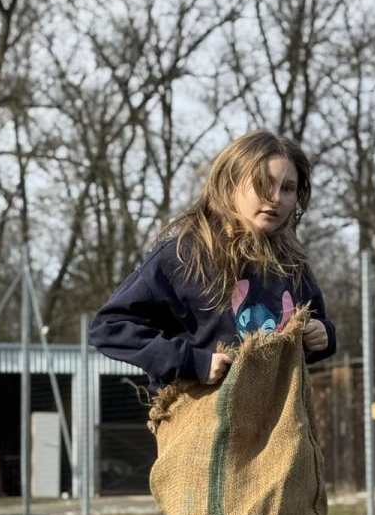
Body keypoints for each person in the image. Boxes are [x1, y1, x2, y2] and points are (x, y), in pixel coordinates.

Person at [90, 129, 337, 393]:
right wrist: (191, 362)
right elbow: (109, 328)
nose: (275, 198)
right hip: (200, 412)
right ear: (230, 185)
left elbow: (315, 328)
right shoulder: (183, 255)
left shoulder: (292, 264)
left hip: (277, 413)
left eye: (287, 188)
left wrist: (323, 334)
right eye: (263, 183)